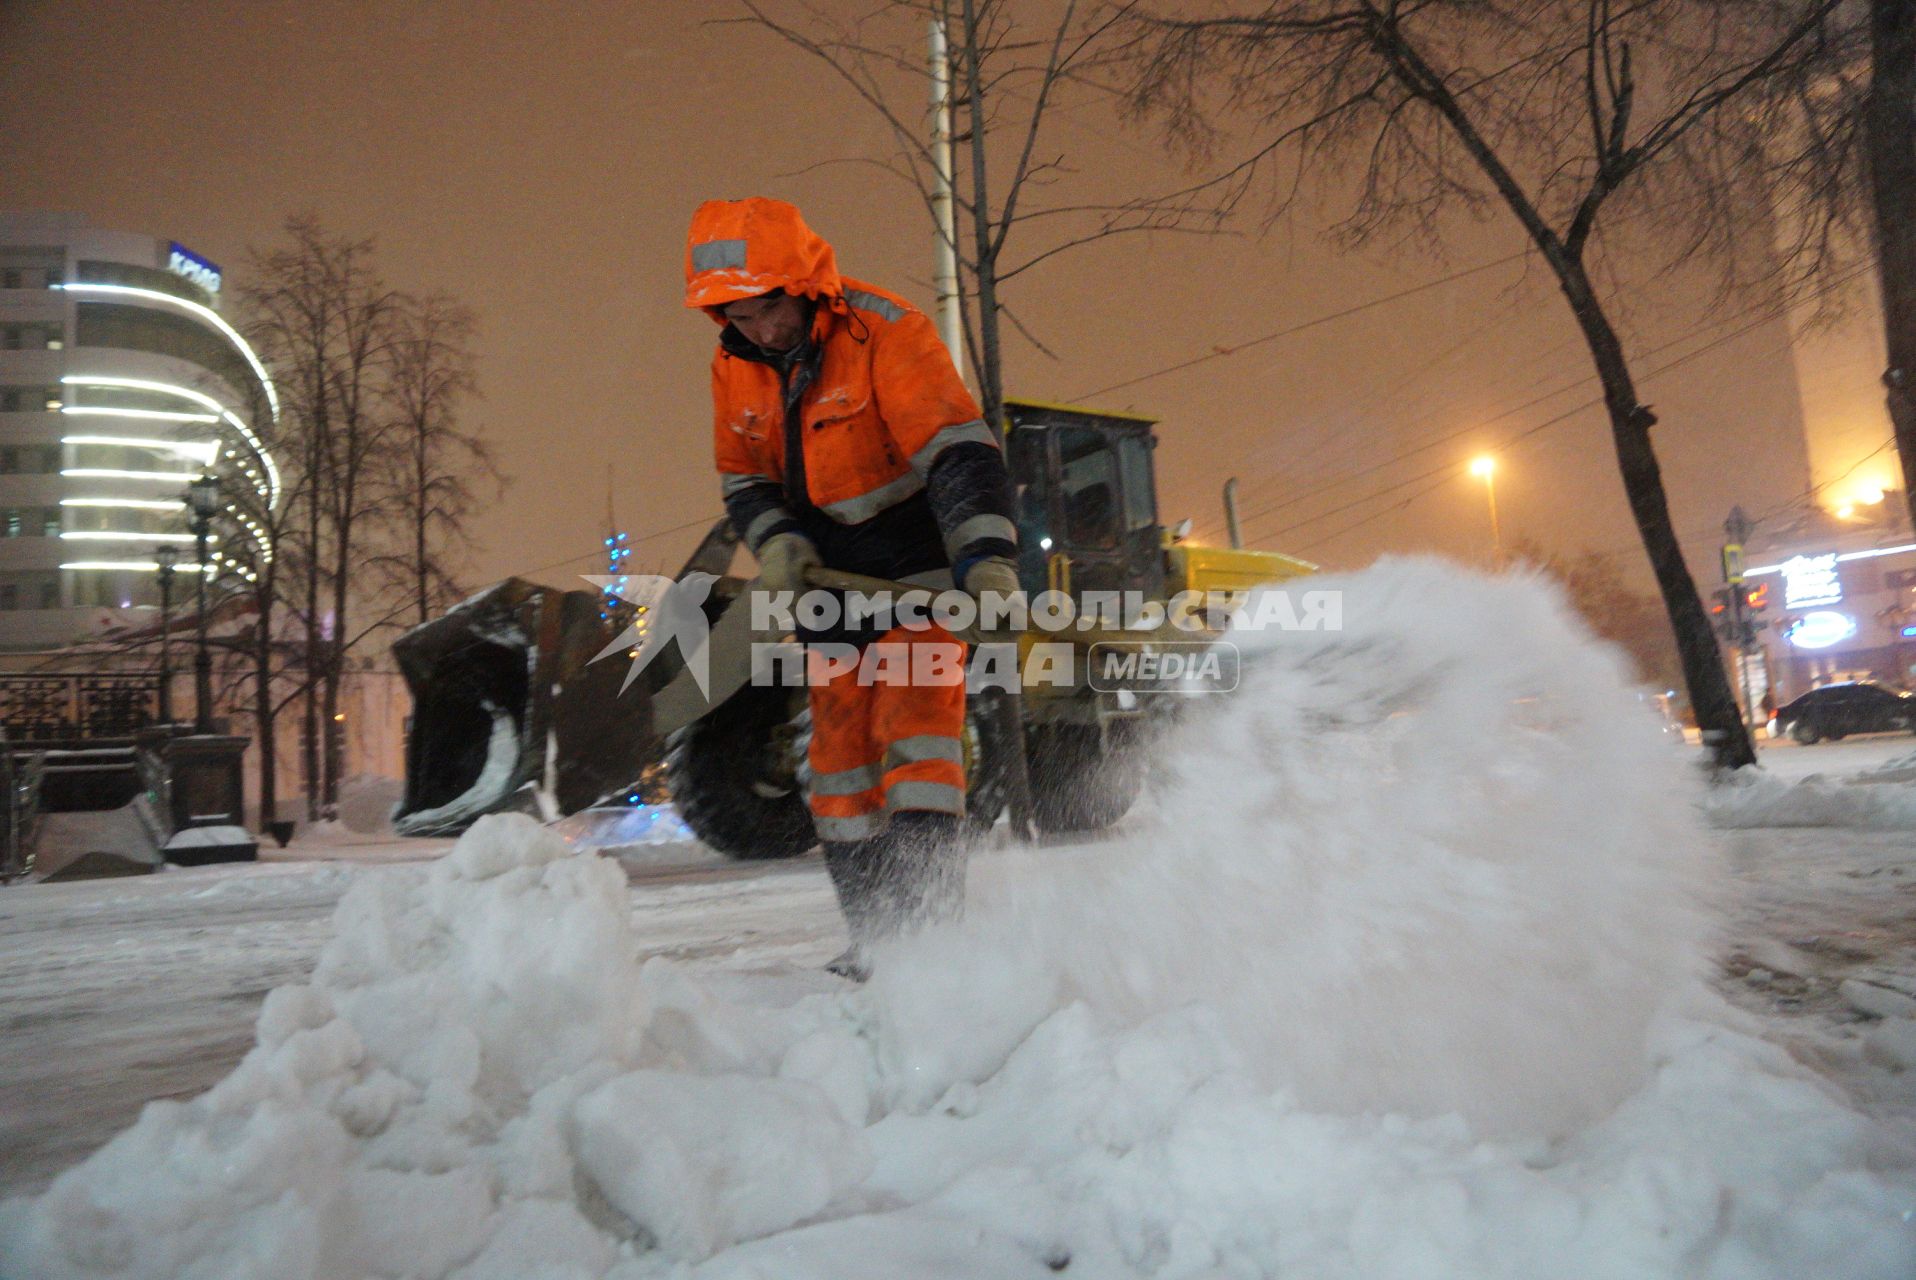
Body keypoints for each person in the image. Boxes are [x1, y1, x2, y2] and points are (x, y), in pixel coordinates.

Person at [684, 197, 1021, 979]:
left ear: (803, 285)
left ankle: (929, 941)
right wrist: (780, 542)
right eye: (735, 311)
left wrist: (989, 565)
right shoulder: (733, 363)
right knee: (836, 768)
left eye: (767, 305)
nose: (759, 328)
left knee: (916, 744)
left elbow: (959, 454)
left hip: (917, 572)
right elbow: (744, 479)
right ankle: (878, 942)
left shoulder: (884, 332)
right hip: (829, 584)